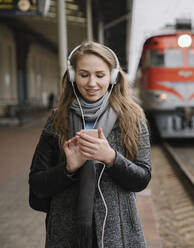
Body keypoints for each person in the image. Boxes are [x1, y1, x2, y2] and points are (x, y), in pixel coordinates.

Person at [28, 41, 151, 248]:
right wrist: (68, 169)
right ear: (73, 76)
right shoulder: (58, 119)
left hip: (119, 233)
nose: (92, 83)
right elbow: (37, 183)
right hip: (66, 232)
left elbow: (142, 179)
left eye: (100, 75)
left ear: (112, 77)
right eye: (84, 75)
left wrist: (112, 158)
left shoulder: (132, 118)